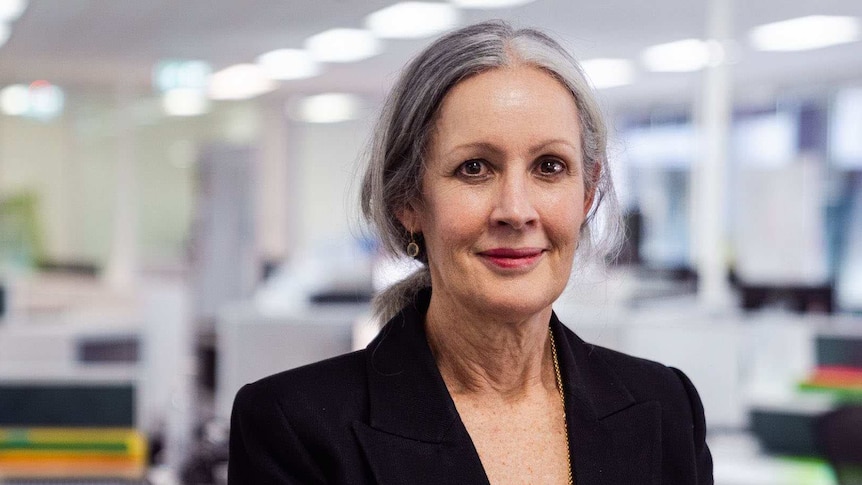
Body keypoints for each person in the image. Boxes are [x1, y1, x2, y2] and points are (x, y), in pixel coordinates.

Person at [229, 20, 713, 484]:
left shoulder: (667, 407)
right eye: (475, 168)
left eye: (549, 166)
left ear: (587, 196)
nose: (516, 211)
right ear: (407, 201)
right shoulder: (295, 427)